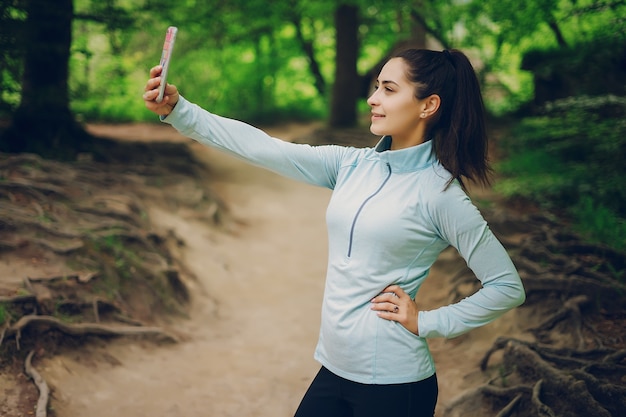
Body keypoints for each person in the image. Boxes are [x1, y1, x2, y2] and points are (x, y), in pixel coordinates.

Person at [143, 48, 526, 417]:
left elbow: (506, 286)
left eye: (389, 90)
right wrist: (180, 111)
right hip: (335, 368)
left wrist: (427, 322)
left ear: (428, 105)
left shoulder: (441, 195)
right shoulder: (352, 164)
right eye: (376, 87)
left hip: (395, 386)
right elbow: (262, 148)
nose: (373, 99)